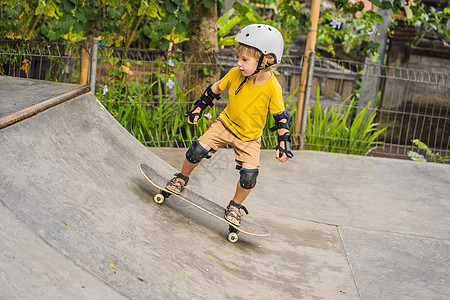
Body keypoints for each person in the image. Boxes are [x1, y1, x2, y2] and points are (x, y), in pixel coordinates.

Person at [166, 24, 293, 226]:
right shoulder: (235, 74)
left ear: (266, 60)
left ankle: (235, 206)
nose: (239, 63)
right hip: (224, 125)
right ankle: (181, 178)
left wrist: (283, 144)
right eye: (239, 58)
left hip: (249, 138)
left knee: (249, 176)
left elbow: (281, 117)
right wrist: (199, 108)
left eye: (245, 59)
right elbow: (214, 90)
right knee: (196, 151)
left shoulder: (273, 87)